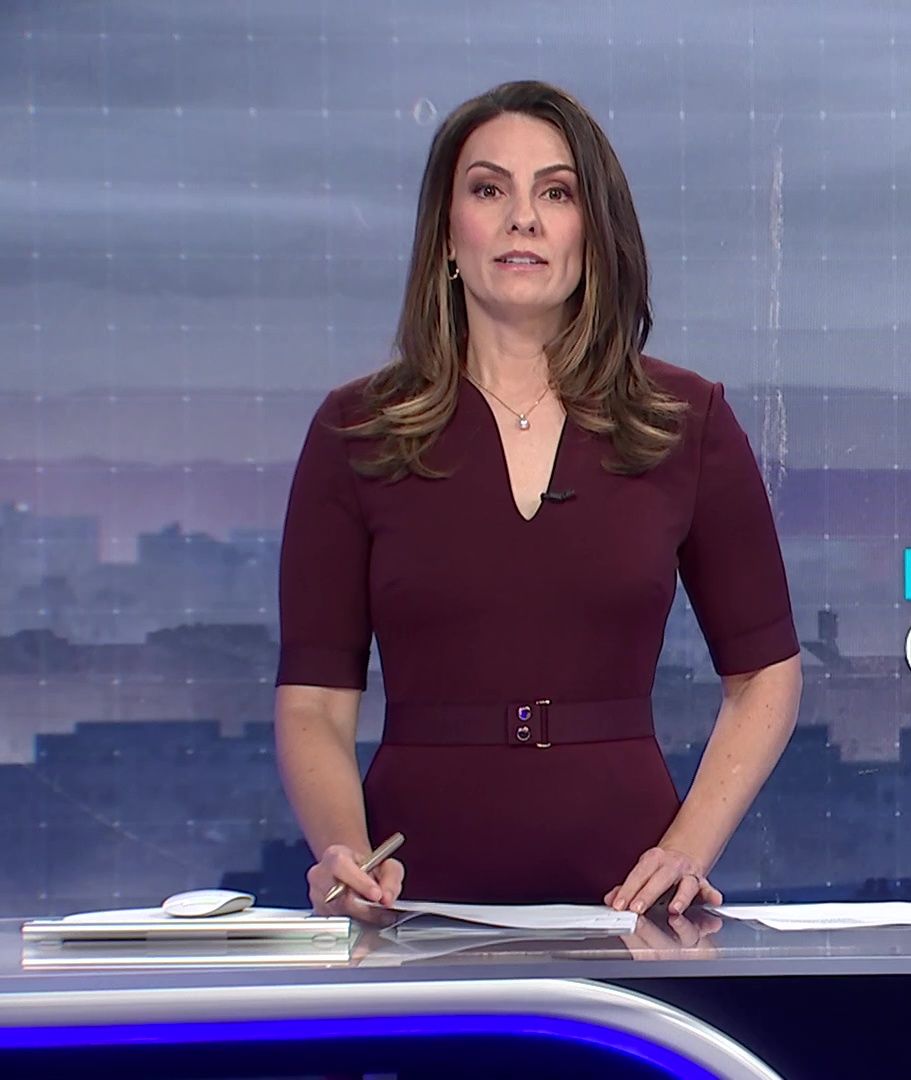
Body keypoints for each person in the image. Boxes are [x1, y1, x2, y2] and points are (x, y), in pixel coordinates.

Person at [272, 80, 803, 924]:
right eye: (489, 190)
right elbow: (314, 703)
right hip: (414, 902)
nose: (523, 219)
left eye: (556, 193)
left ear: (594, 232)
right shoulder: (357, 430)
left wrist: (689, 848)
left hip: (627, 904)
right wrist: (344, 854)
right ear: (447, 233)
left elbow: (766, 673)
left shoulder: (684, 420)